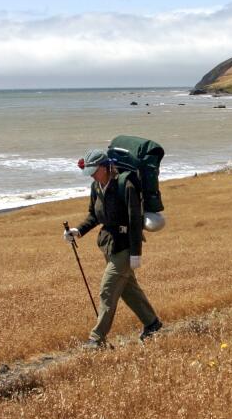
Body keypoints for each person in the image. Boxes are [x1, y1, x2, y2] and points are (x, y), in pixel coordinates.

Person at [64, 149, 163, 348]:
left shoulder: (125, 185)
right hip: (109, 246)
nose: (91, 175)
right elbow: (94, 215)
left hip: (126, 246)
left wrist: (136, 253)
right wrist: (78, 230)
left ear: (105, 167)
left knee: (107, 290)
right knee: (128, 290)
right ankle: (153, 324)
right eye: (90, 172)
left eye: (94, 171)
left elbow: (135, 221)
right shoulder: (96, 186)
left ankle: (96, 339)